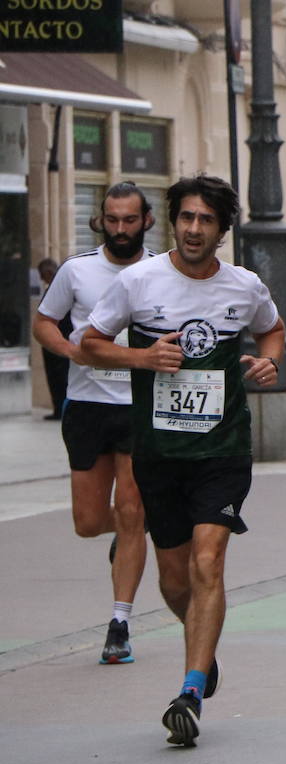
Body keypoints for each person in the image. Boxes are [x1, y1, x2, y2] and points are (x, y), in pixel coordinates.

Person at [82, 174, 285, 745]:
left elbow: (273, 332)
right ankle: (204, 643)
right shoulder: (140, 281)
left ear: (223, 231)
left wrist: (270, 362)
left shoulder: (243, 286)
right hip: (158, 453)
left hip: (221, 450)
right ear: (173, 221)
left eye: (206, 220)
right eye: (186, 217)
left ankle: (191, 688)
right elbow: (90, 343)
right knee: (175, 581)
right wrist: (141, 357)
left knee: (208, 561)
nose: (194, 229)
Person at [33, 184, 153, 665]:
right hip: (86, 405)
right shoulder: (77, 270)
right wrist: (69, 350)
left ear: (145, 220)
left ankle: (119, 624)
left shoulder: (159, 271)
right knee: (87, 523)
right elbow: (45, 321)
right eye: (112, 219)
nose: (120, 229)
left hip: (140, 405)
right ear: (100, 220)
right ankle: (131, 532)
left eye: (129, 219)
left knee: (129, 507)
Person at [34, 258, 67, 420]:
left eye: (42, 275)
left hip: (59, 341)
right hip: (60, 341)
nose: (41, 280)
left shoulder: (59, 288)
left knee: (58, 378)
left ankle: (60, 408)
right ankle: (59, 408)